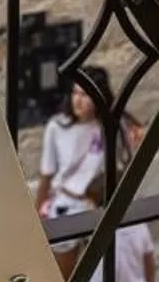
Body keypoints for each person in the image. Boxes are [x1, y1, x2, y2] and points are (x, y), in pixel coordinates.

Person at [35, 69, 109, 221]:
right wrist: (37, 213)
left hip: (98, 204)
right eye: (75, 93)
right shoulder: (57, 126)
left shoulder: (107, 127)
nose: (77, 100)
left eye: (84, 95)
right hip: (67, 203)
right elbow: (46, 175)